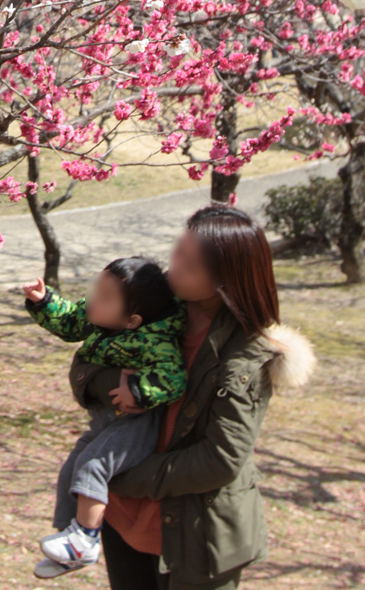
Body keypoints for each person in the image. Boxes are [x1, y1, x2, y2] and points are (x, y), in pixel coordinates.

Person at [65, 204, 317, 589]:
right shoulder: (152, 305)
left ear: (223, 281)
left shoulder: (245, 354)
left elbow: (220, 459)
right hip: (125, 521)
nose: (174, 267)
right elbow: (85, 367)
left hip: (197, 535)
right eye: (178, 250)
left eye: (190, 264)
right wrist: (117, 384)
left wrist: (122, 477)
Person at [23, 255, 189, 576]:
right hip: (106, 422)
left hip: (136, 424)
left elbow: (173, 376)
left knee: (92, 466)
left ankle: (85, 538)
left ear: (133, 320)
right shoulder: (100, 316)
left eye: (106, 296)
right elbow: (70, 320)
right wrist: (44, 302)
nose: (93, 299)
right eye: (96, 288)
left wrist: (138, 390)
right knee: (70, 471)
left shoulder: (156, 339)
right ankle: (68, 540)